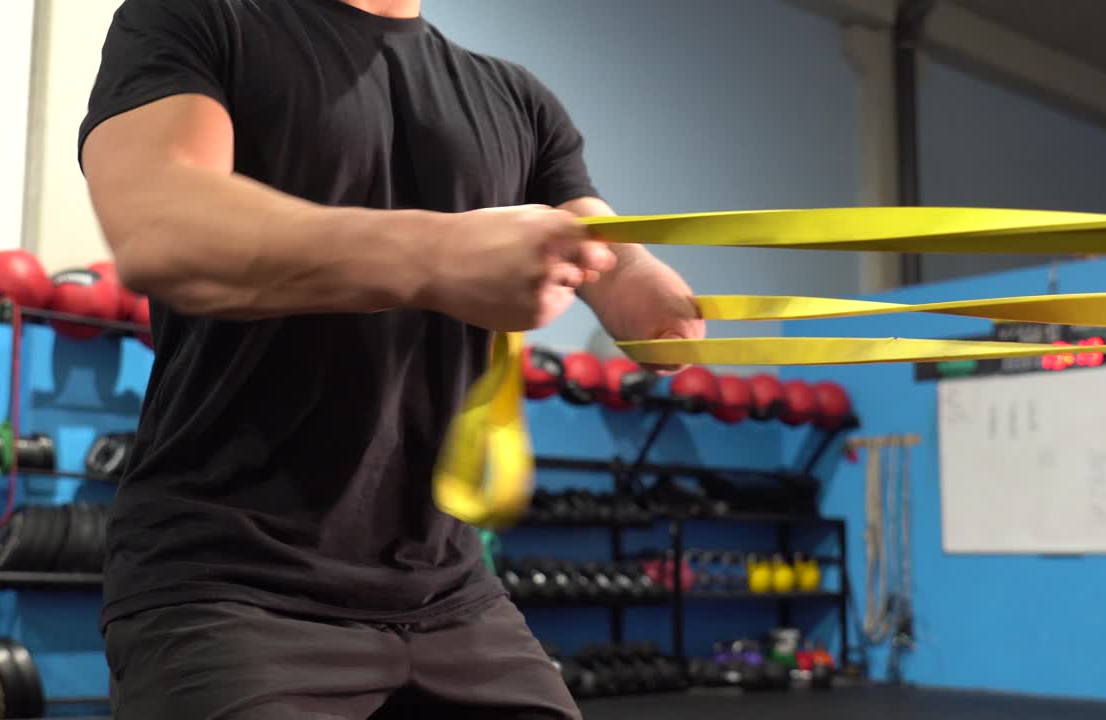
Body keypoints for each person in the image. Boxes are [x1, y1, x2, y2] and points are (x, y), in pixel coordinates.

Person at [79, 0, 704, 717]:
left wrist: (650, 296)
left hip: (450, 591)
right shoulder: (201, 18)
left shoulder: (517, 99)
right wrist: (439, 256)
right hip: (231, 580)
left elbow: (607, 247)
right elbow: (162, 228)